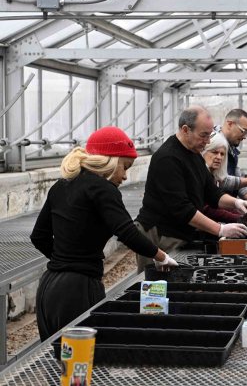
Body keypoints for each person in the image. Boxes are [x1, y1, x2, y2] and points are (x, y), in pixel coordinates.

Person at [30, 126, 178, 341]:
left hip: (48, 290)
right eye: (124, 167)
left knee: (57, 362)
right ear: (111, 160)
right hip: (78, 289)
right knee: (86, 360)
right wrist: (161, 256)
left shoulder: (61, 186)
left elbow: (38, 237)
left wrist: (65, 261)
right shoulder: (103, 189)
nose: (125, 176)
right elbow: (127, 231)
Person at [134, 105, 247, 272]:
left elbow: (212, 193)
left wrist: (236, 203)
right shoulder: (167, 158)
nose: (207, 141)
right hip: (160, 236)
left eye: (209, 134)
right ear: (185, 130)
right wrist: (220, 229)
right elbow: (182, 209)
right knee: (157, 287)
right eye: (203, 135)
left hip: (180, 233)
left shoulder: (194, 153)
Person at [202, 133, 247, 230]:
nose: (219, 157)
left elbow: (220, 203)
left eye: (222, 154)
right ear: (203, 152)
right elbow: (207, 209)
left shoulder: (215, 175)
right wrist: (240, 218)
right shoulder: (201, 175)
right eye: (214, 152)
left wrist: (246, 213)